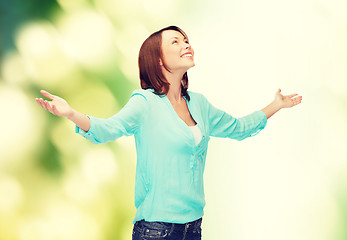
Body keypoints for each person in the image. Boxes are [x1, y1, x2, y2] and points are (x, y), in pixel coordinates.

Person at [35, 26, 302, 240]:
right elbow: (107, 129)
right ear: (158, 59)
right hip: (156, 230)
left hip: (194, 228)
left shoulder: (199, 104)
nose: (187, 44)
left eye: (186, 40)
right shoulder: (145, 103)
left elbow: (239, 128)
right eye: (176, 41)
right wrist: (70, 113)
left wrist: (276, 105)